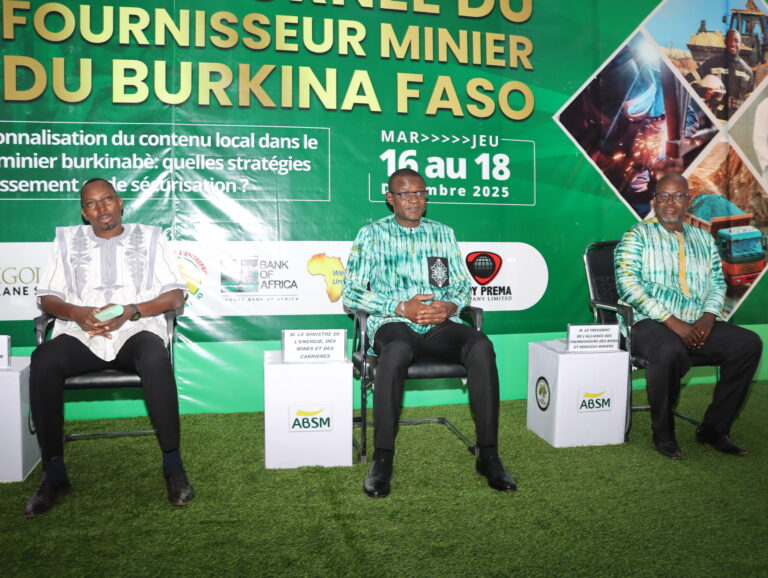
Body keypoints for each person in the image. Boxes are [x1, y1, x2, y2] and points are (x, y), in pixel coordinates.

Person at [24, 178, 194, 517]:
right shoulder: (66, 240)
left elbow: (176, 295)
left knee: (154, 353)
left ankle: (173, 466)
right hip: (82, 334)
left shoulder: (151, 237)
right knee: (43, 358)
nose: (101, 208)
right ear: (84, 213)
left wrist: (130, 311)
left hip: (134, 329)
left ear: (120, 203)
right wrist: (77, 313)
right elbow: (47, 296)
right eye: (91, 203)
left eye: (107, 200)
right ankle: (54, 474)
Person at [342, 168, 516, 497]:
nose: (414, 200)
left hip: (438, 325)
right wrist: (398, 307)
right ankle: (382, 458)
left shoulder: (443, 233)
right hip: (393, 325)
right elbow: (350, 293)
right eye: (405, 194)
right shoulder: (371, 235)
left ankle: (489, 455)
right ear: (390, 198)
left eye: (420, 193)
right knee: (395, 353)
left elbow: (462, 285)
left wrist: (450, 306)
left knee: (480, 345)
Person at [615, 173, 762, 459]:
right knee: (669, 350)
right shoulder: (637, 235)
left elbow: (718, 283)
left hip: (697, 322)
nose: (671, 203)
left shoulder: (704, 239)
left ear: (689, 201)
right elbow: (627, 284)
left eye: (678, 196)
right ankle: (664, 434)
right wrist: (673, 323)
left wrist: (708, 318)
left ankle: (714, 430)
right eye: (664, 196)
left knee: (748, 344)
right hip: (648, 322)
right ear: (655, 201)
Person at [691, 29, 754, 120]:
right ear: (725, 42)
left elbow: (750, 103)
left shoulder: (747, 72)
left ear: (740, 44)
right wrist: (702, 91)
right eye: (729, 40)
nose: (732, 44)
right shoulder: (711, 63)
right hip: (714, 120)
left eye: (736, 41)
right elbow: (688, 80)